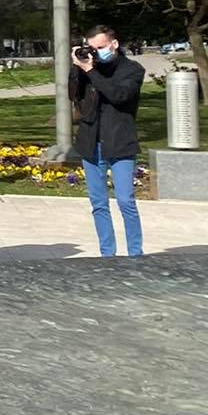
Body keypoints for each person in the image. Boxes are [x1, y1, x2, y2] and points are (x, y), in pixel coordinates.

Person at [72, 24, 144, 257]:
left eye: (100, 47)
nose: (95, 52)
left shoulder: (132, 70)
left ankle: (135, 254)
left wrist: (91, 71)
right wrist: (77, 68)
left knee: (125, 201)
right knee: (99, 204)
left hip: (120, 142)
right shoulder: (88, 68)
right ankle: (107, 255)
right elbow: (73, 94)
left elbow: (118, 96)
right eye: (91, 48)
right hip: (91, 142)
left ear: (114, 44)